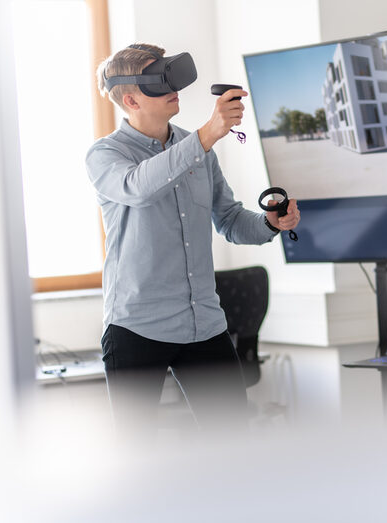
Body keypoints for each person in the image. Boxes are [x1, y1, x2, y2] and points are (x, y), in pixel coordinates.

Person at [85, 43, 300, 441]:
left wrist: (270, 224)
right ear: (131, 98)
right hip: (137, 327)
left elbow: (231, 221)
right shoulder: (106, 155)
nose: (173, 87)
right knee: (138, 454)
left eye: (171, 74)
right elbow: (137, 187)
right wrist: (206, 135)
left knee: (233, 444)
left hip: (203, 324)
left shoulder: (199, 149)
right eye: (158, 80)